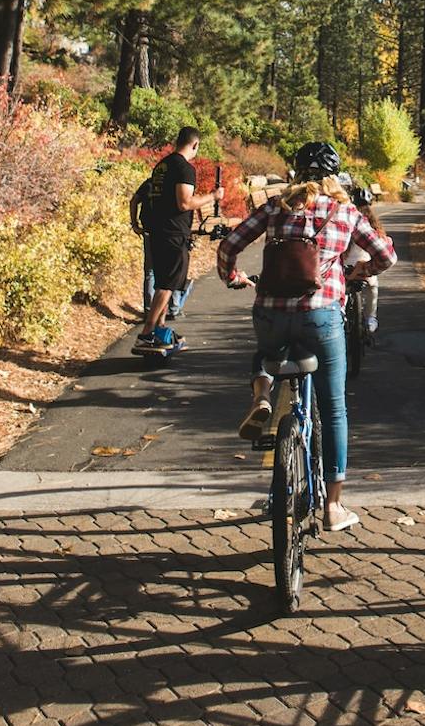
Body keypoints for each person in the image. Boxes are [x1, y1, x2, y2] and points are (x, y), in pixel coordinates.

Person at [217, 142, 396, 533]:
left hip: (271, 312)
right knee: (333, 409)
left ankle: (262, 395)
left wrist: (232, 276)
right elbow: (386, 256)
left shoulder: (275, 207)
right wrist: (358, 273)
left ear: (296, 172)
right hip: (322, 316)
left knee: (266, 352)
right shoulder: (345, 212)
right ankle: (334, 507)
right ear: (337, 175)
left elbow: (230, 245)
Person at [135, 126, 223, 351]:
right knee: (168, 283)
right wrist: (212, 197)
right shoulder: (184, 168)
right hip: (173, 233)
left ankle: (159, 330)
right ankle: (147, 334)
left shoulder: (161, 166)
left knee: (165, 281)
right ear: (195, 145)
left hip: (157, 230)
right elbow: (184, 203)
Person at [130, 180, 193, 321]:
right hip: (173, 234)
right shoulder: (179, 184)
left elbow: (134, 200)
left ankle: (150, 311)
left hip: (151, 231)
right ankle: (173, 308)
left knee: (151, 272)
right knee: (175, 270)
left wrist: (134, 224)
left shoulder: (150, 183)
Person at [343, 186, 384, 333]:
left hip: (346, 266)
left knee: (343, 291)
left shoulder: (347, 218)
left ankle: (342, 315)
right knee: (373, 287)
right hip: (366, 266)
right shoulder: (371, 224)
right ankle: (371, 318)